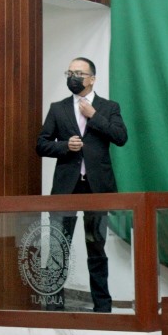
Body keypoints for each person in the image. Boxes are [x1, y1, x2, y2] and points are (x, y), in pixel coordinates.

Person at [36, 57, 128, 312]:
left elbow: (121, 137)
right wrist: (64, 146)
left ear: (92, 79)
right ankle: (54, 308)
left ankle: (102, 308)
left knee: (96, 249)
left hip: (97, 189)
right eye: (69, 73)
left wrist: (94, 116)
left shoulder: (108, 107)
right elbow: (41, 144)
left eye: (78, 73)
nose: (73, 77)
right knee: (58, 248)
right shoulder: (58, 108)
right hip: (66, 188)